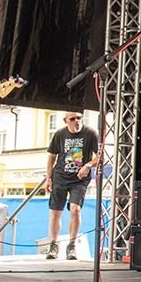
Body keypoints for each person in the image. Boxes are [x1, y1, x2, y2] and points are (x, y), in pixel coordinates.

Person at [46, 111, 98, 259]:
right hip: (60, 177)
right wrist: (48, 178)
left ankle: (72, 245)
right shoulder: (60, 134)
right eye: (73, 119)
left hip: (79, 179)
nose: (77, 121)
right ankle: (53, 245)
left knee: (75, 209)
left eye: (79, 118)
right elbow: (51, 157)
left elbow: (101, 156)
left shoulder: (90, 134)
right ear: (66, 120)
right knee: (55, 212)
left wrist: (88, 165)